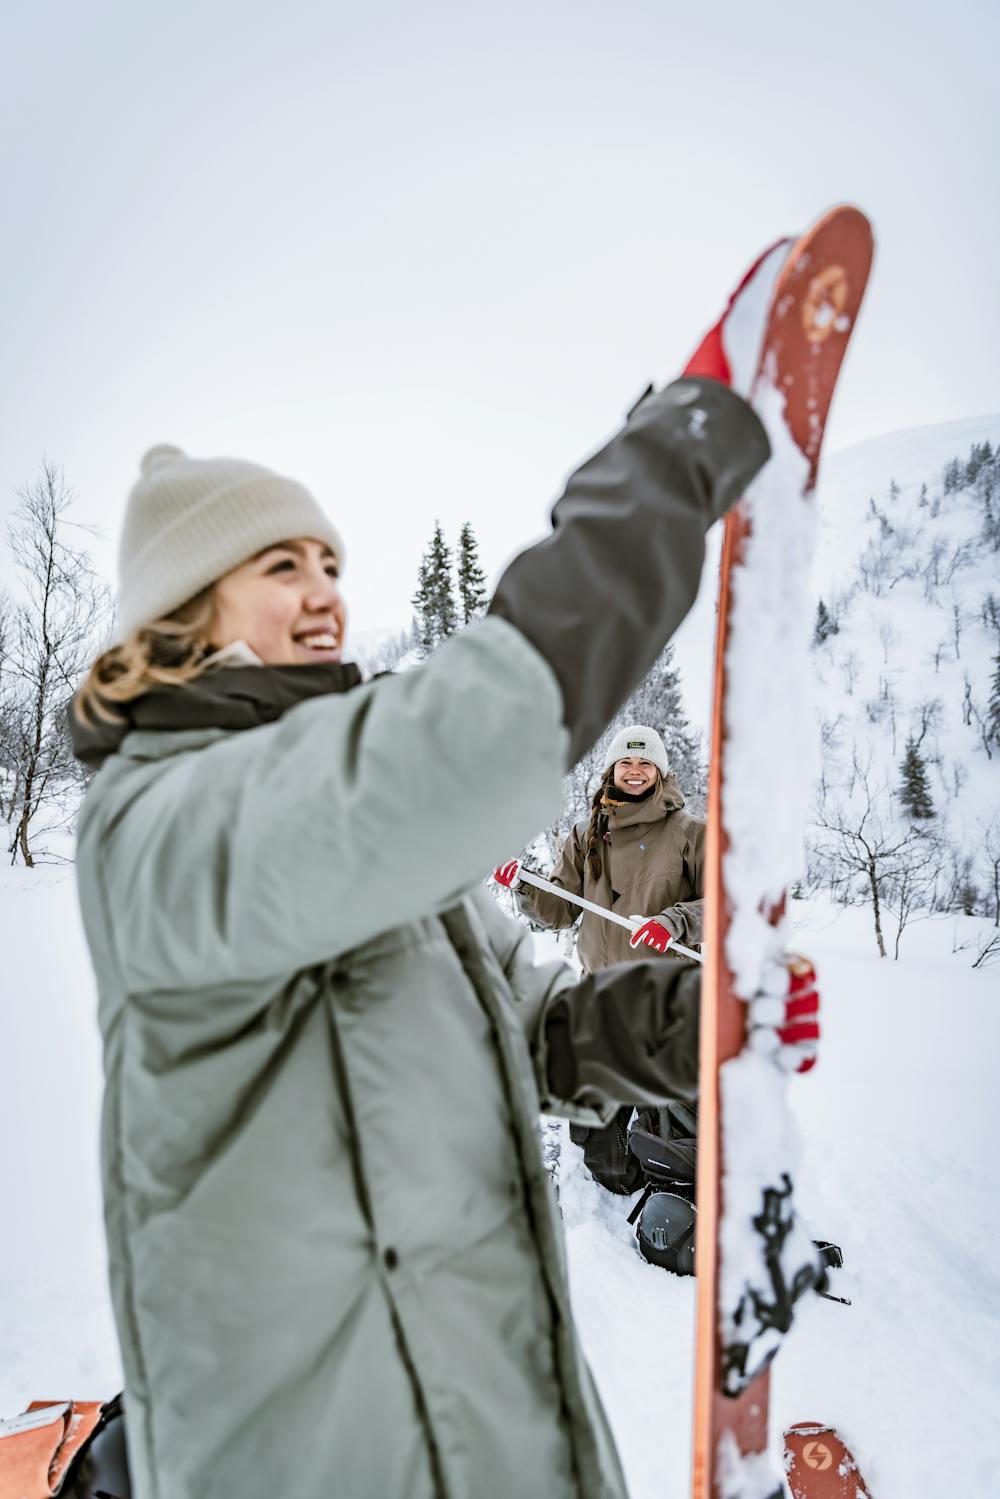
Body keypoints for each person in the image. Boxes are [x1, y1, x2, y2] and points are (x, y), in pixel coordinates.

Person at [67, 239, 819, 1499]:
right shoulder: (163, 828)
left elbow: (519, 1026)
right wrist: (665, 472)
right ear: (182, 615)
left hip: (486, 1427)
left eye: (329, 564)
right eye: (280, 564)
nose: (323, 593)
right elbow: (460, 745)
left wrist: (686, 1020)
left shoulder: (352, 816)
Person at [494, 722, 709, 1198]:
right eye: (626, 762)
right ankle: (622, 1177)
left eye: (645, 762)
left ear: (660, 770)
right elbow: (560, 909)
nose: (635, 771)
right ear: (612, 768)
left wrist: (675, 922)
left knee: (673, 1120)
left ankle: (680, 1191)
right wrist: (525, 885)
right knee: (598, 1131)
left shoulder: (690, 834)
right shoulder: (587, 833)